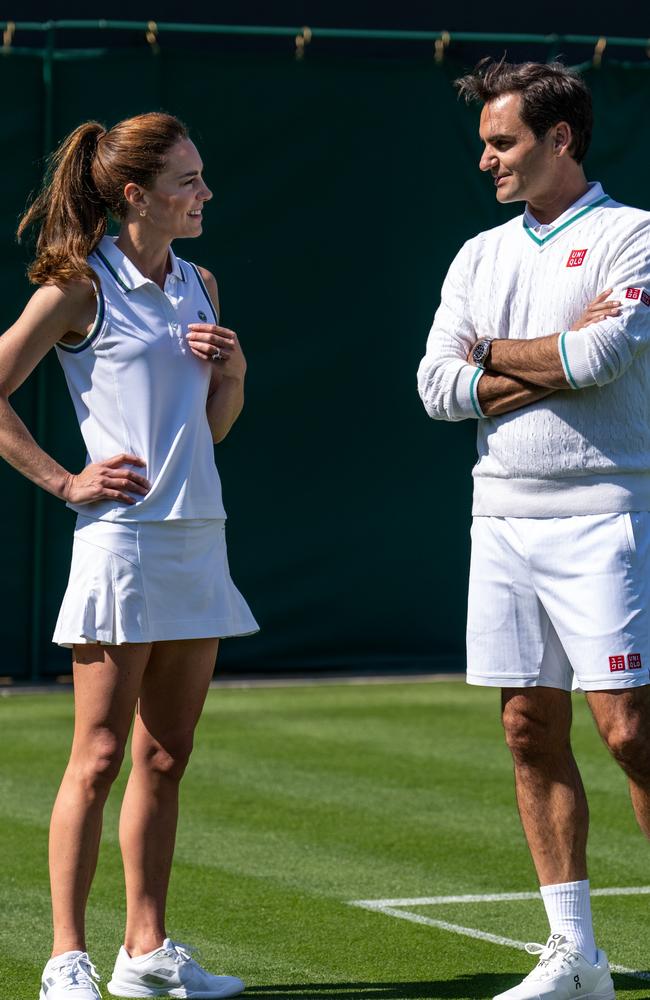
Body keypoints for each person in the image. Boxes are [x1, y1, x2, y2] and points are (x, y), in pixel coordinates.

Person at [1, 112, 258, 999]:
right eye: (187, 181)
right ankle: (66, 958)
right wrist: (66, 481)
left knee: (165, 755)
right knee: (101, 752)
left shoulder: (202, 284)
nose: (203, 194)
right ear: (135, 195)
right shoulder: (81, 287)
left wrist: (232, 374)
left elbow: (209, 431)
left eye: (202, 177)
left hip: (198, 539)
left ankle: (146, 952)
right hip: (119, 546)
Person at [417, 59, 650, 1000]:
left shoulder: (634, 235)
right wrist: (546, 362)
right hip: (502, 514)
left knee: (631, 732)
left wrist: (490, 357)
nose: (488, 161)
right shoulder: (478, 255)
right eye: (484, 144)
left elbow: (602, 354)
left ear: (561, 140)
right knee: (526, 727)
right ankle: (575, 957)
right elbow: (435, 388)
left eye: (503, 142)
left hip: (609, 514)